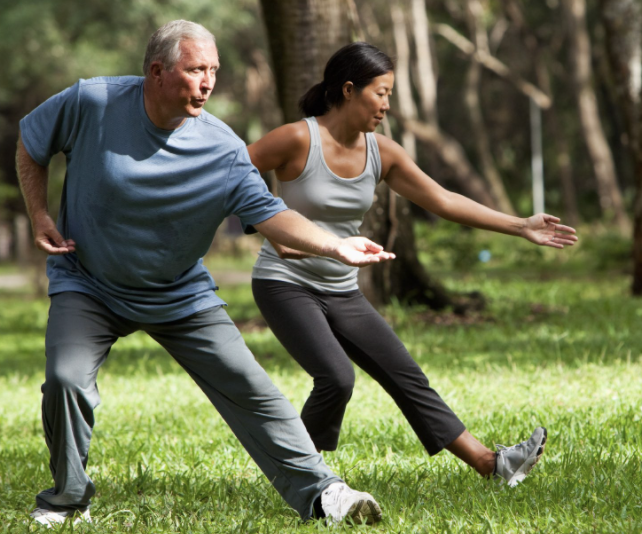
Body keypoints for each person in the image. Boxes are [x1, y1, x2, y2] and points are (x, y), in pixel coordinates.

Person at [16, 21, 390, 527]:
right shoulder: (92, 102)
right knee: (65, 380)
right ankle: (68, 497)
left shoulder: (223, 147)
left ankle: (325, 493)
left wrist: (335, 244)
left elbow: (269, 212)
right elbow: (31, 143)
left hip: (178, 291)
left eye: (214, 70)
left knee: (251, 385)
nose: (209, 82)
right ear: (157, 72)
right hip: (89, 281)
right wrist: (39, 212)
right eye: (196, 70)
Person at [247, 42, 578, 487]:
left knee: (406, 376)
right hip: (284, 282)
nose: (386, 105)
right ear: (348, 90)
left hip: (342, 288)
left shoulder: (382, 151)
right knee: (336, 378)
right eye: (380, 93)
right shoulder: (297, 138)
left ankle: (490, 464)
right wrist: (271, 230)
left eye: (389, 95)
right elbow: (231, 176)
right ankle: (302, 478)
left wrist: (520, 225)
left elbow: (443, 199)